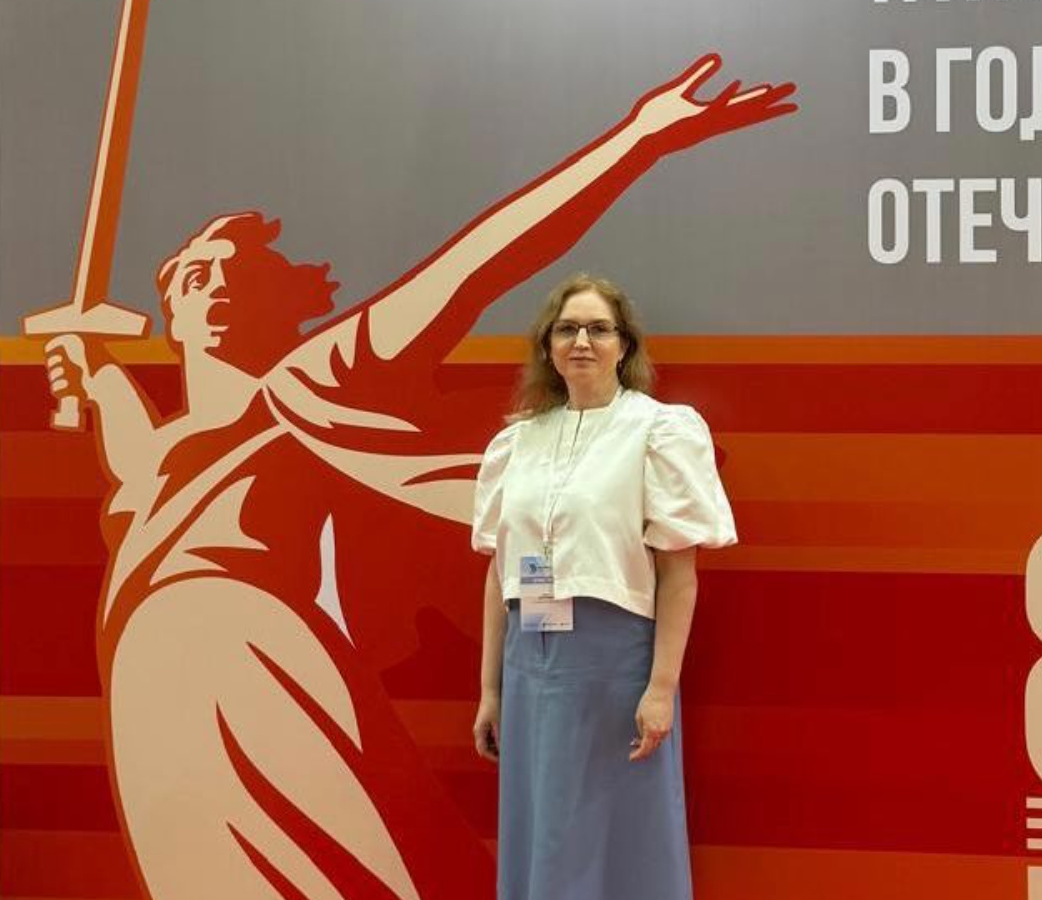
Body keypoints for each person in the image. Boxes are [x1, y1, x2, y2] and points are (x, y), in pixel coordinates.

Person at [41, 56, 791, 900]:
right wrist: (99, 380)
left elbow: (478, 262)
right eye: (191, 275)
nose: (210, 286)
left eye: (234, 271)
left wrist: (636, 139)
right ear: (171, 311)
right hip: (157, 706)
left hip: (255, 675)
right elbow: (151, 473)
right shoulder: (162, 456)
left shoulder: (310, 384)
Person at [470, 273, 736, 900]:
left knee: (614, 835)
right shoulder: (517, 443)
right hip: (529, 666)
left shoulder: (656, 431)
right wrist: (490, 689)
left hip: (614, 670)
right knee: (545, 832)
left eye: (598, 329)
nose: (582, 342)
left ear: (624, 344)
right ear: (548, 345)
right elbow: (500, 570)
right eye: (567, 329)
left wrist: (661, 689)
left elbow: (679, 573)